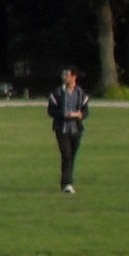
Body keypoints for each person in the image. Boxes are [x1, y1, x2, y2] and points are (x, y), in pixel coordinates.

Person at [46, 65, 89, 194]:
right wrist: (63, 115)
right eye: (63, 75)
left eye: (67, 75)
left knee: (72, 156)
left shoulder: (80, 93)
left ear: (73, 77)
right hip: (61, 129)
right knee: (66, 155)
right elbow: (51, 110)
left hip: (76, 129)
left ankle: (67, 182)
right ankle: (67, 183)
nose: (64, 77)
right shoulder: (57, 93)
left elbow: (86, 111)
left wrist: (78, 115)